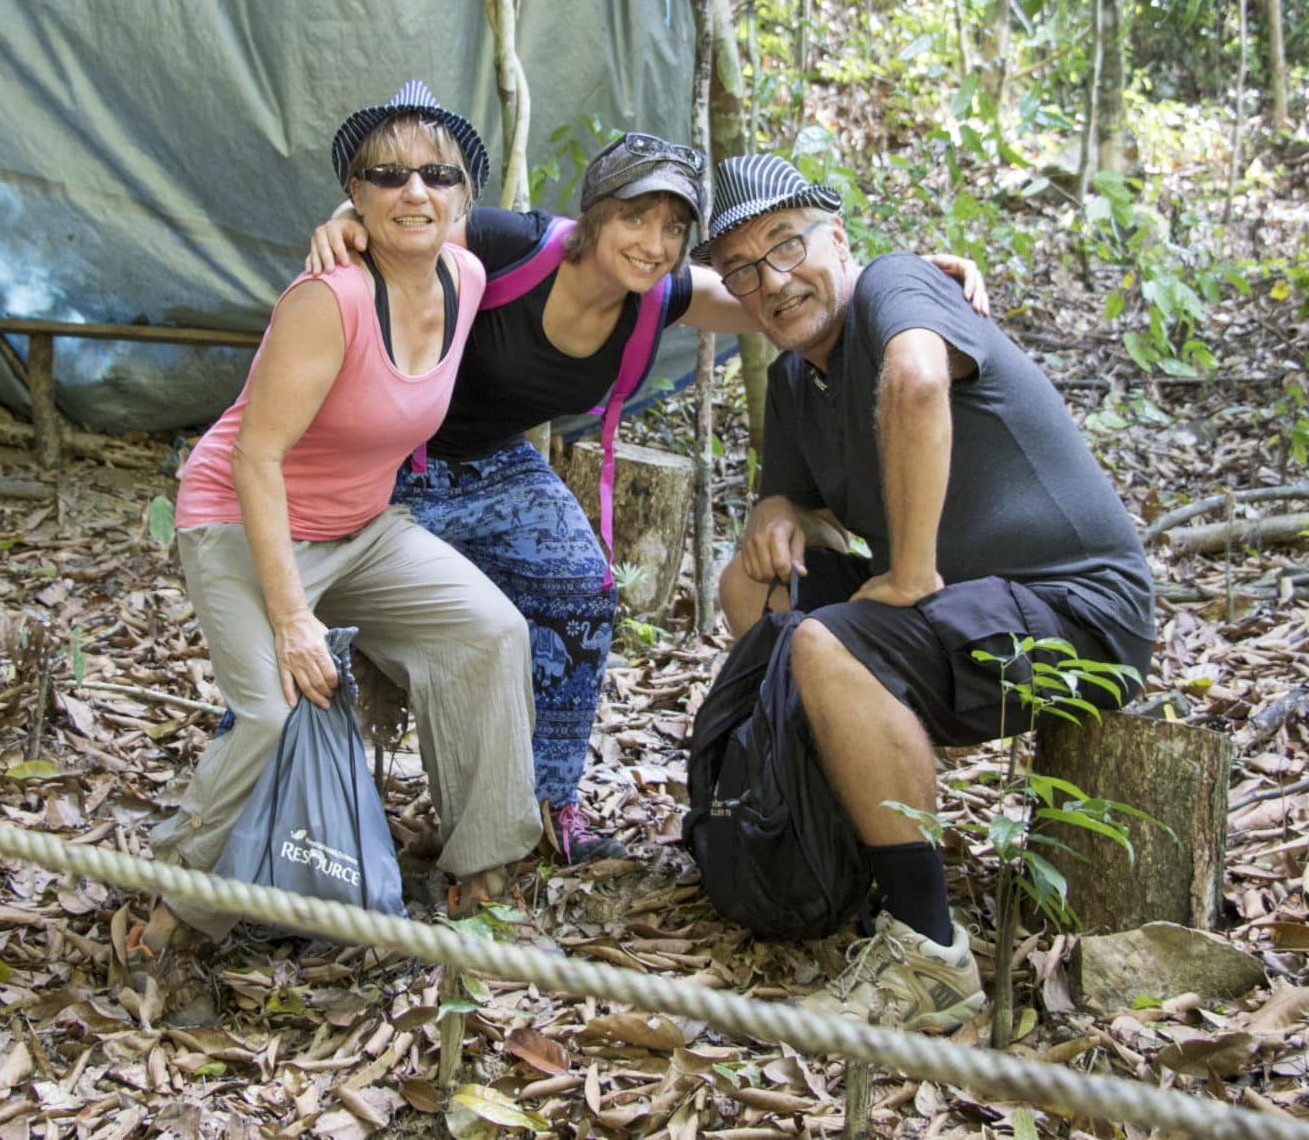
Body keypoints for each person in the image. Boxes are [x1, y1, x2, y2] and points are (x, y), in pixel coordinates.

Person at [307, 135, 990, 864]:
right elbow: (412, 212)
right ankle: (293, 804)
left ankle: (547, 803)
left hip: (493, 465)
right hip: (391, 461)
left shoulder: (662, 297)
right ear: (596, 217)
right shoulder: (515, 243)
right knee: (316, 605)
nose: (654, 244)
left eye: (673, 228)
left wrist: (907, 276)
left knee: (584, 588)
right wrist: (345, 215)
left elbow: (781, 292)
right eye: (636, 218)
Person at [702, 154, 1155, 1032]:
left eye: (787, 244)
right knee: (752, 589)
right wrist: (773, 510)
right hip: (979, 611)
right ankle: (833, 844)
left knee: (825, 641)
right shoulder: (797, 378)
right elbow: (782, 496)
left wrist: (908, 573)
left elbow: (913, 380)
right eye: (745, 270)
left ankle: (925, 950)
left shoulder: (894, 285)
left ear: (838, 236)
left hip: (1077, 607)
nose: (774, 279)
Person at [141, 82, 542, 949]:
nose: (415, 192)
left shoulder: (465, 273)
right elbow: (255, 458)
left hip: (362, 527)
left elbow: (474, 227)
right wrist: (293, 619)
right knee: (271, 711)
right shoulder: (328, 299)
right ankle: (171, 907)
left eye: (437, 175)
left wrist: (367, 200)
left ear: (463, 196)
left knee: (490, 631)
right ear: (353, 193)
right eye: (385, 175)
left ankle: (481, 865)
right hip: (245, 520)